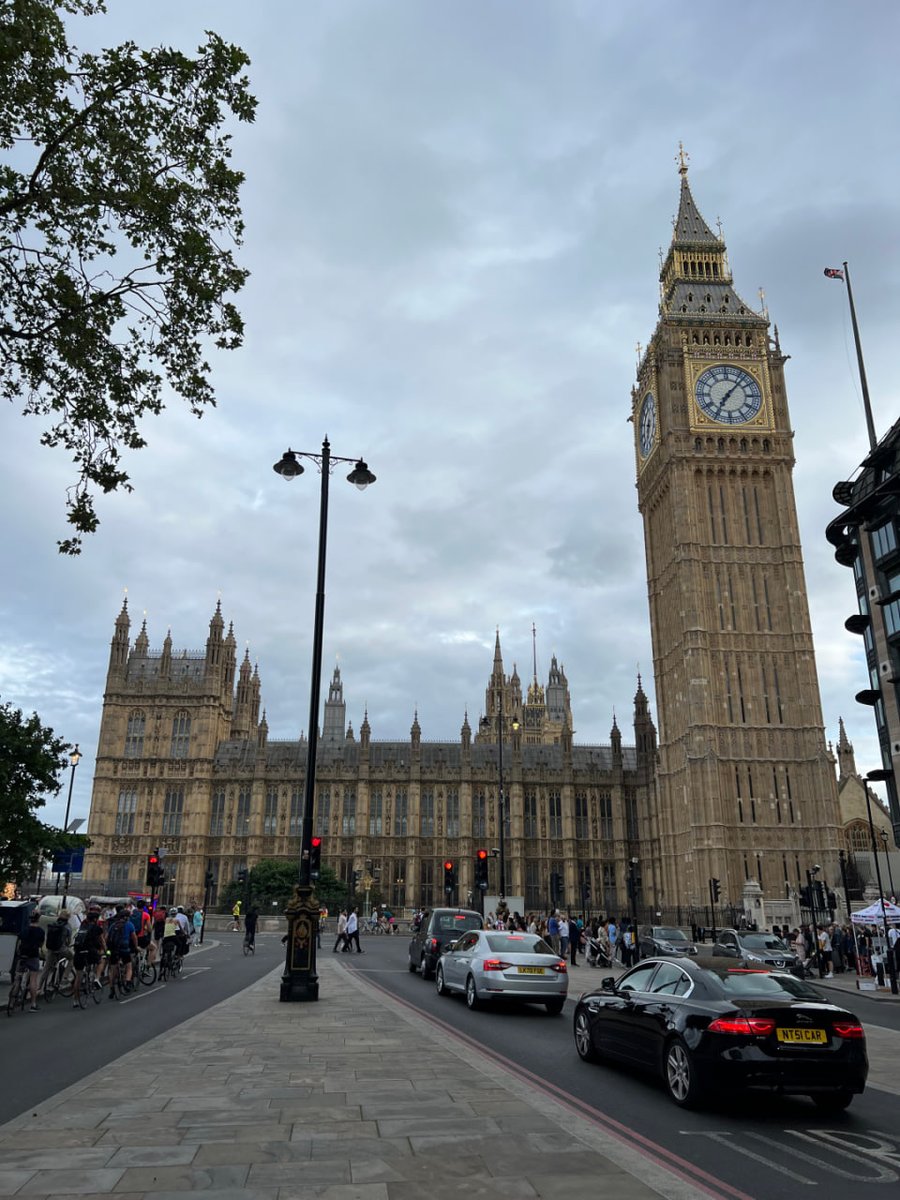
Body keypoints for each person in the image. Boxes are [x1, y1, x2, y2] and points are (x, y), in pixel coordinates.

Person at [72, 910, 106, 1005]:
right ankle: (96, 978)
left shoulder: (82, 927)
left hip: (79, 952)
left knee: (78, 977)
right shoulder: (97, 928)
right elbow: (102, 941)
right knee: (101, 961)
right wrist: (107, 951)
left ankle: (75, 1000)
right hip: (90, 952)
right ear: (95, 919)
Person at [16, 911, 46, 1011]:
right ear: (38, 919)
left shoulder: (24, 930)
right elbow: (41, 945)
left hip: (22, 955)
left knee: (18, 977)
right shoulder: (40, 931)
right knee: (33, 979)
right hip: (33, 955)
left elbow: (19, 942)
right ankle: (33, 1004)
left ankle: (11, 1003)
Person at [106, 903, 138, 997]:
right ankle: (128, 982)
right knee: (129, 966)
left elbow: (106, 937)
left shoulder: (113, 925)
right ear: (127, 917)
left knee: (112, 970)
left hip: (113, 949)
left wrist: (107, 949)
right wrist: (136, 947)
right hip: (124, 948)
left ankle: (111, 989)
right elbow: (134, 937)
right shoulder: (129, 925)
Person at [40, 908, 73, 996]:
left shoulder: (53, 924)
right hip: (61, 949)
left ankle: (39, 987)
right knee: (72, 958)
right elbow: (69, 940)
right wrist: (68, 945)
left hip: (51, 948)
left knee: (46, 968)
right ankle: (64, 977)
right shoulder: (67, 926)